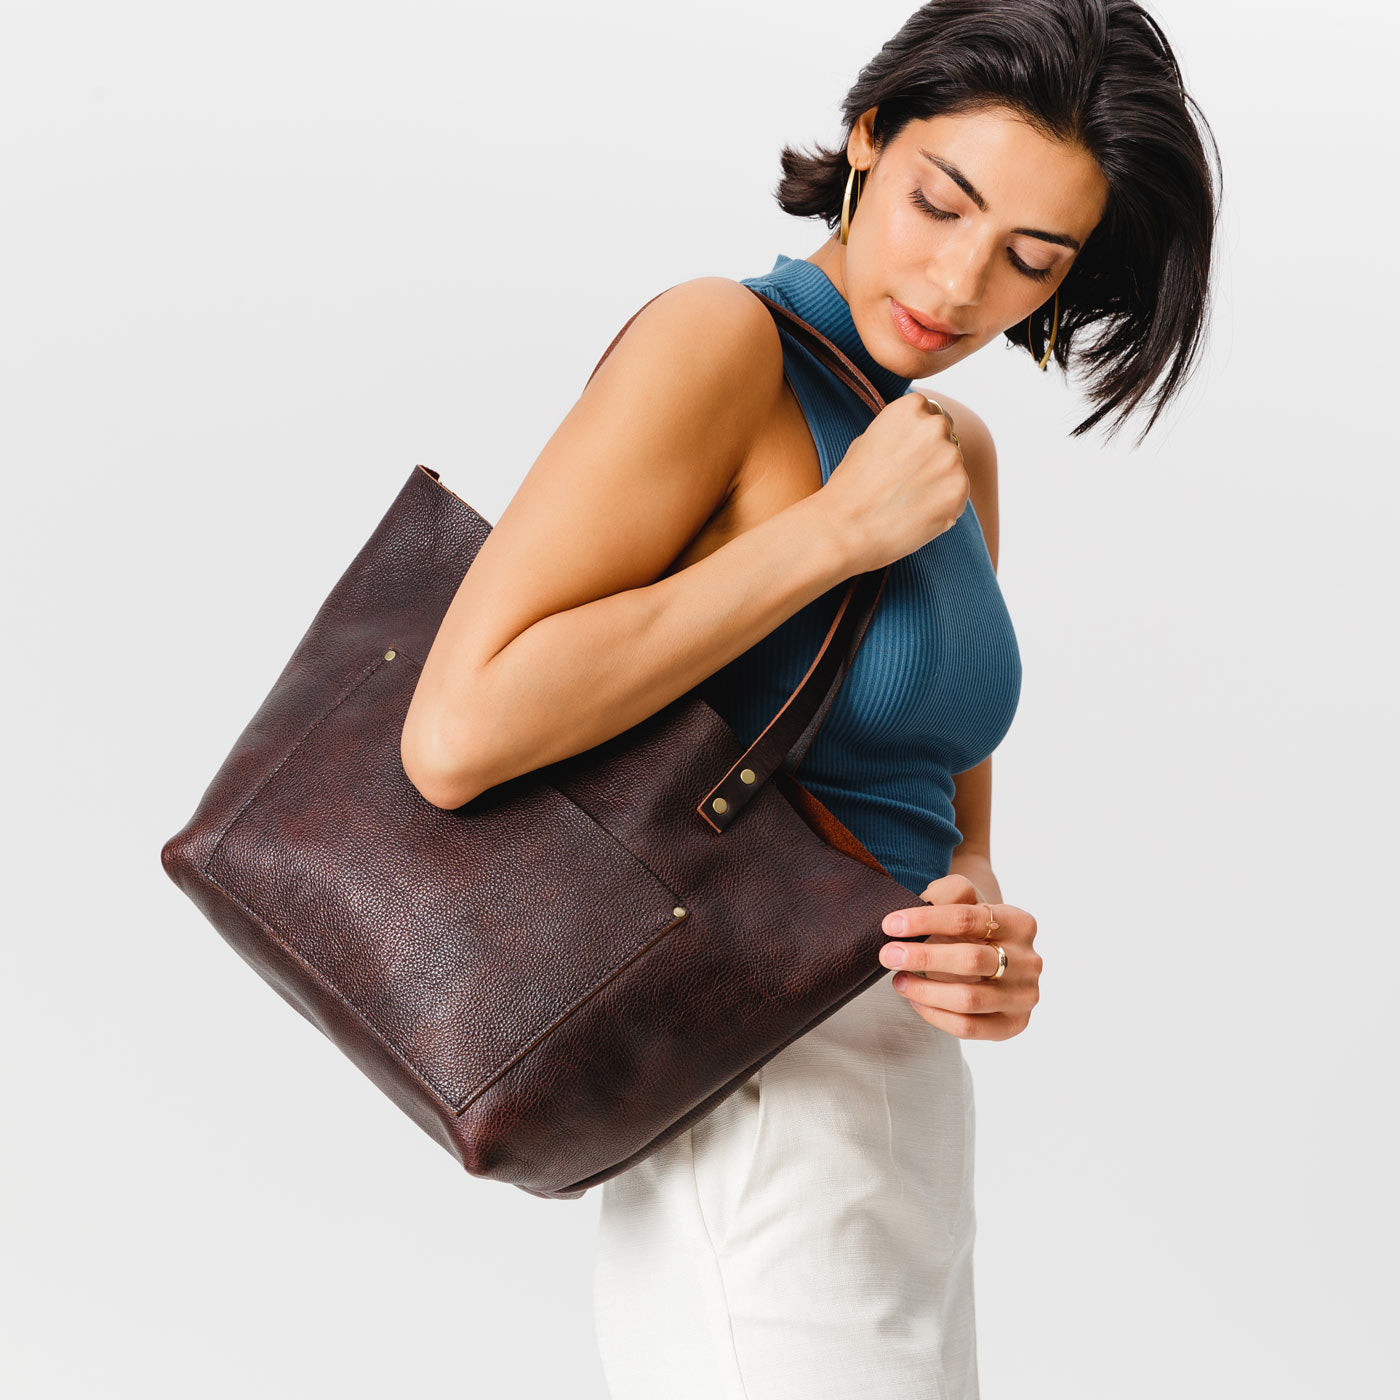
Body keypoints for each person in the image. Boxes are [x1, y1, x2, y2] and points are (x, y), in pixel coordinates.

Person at [399, 1, 1221, 1394]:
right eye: (940, 203)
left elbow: (936, 801)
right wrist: (832, 534)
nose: (960, 283)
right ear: (869, 136)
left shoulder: (949, 451)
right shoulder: (721, 342)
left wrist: (978, 929)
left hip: (903, 1110)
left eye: (1031, 259)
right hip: (751, 1113)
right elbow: (456, 730)